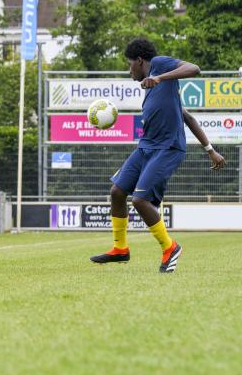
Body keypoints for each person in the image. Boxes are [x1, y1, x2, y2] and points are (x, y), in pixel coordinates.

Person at [90, 38, 226, 274]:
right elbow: (189, 118)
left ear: (140, 61)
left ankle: (170, 247)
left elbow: (194, 68)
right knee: (117, 192)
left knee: (140, 200)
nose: (128, 69)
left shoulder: (160, 66)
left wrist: (160, 77)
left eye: (129, 64)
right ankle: (120, 249)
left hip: (167, 149)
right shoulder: (153, 91)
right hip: (146, 148)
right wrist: (210, 150)